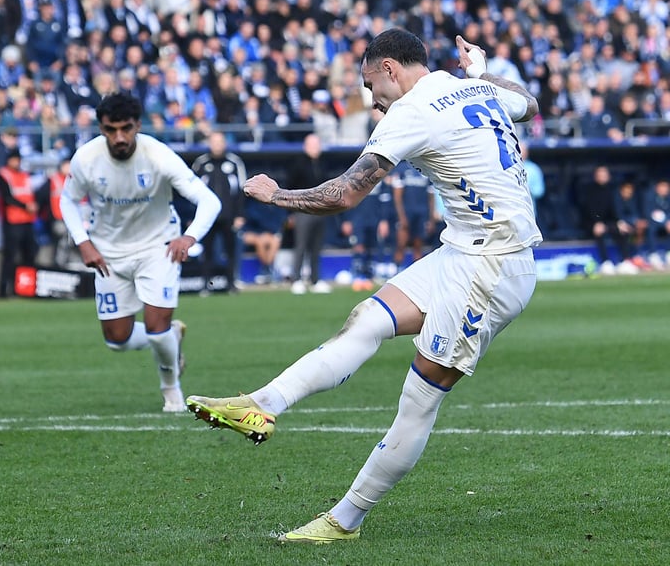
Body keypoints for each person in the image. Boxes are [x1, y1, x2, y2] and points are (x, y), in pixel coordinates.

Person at [186, 30, 542, 544]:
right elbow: (528, 104)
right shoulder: (474, 88)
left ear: (391, 68)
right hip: (462, 250)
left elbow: (345, 194)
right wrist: (479, 72)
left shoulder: (412, 111)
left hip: (491, 267)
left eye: (370, 82)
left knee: (419, 400)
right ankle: (261, 404)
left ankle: (344, 520)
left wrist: (276, 194)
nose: (370, 98)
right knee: (367, 319)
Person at [59, 92, 221, 413]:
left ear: (138, 126)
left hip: (157, 248)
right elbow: (67, 200)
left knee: (156, 327)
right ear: (101, 128)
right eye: (110, 129)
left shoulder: (158, 156)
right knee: (116, 339)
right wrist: (83, 242)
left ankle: (171, 390)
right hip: (108, 253)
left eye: (126, 128)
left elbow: (209, 201)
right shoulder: (86, 159)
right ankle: (173, 336)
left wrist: (188, 238)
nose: (119, 137)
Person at [190, 130, 246, 295]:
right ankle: (206, 284)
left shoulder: (235, 163)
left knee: (230, 250)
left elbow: (242, 191)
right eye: (214, 142)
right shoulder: (200, 163)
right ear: (209, 144)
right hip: (207, 217)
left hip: (229, 216)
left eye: (220, 142)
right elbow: (192, 191)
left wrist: (240, 215)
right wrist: (195, 216)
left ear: (225, 143)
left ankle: (231, 284)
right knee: (206, 251)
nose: (217, 145)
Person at [285, 133, 334, 295]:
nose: (315, 148)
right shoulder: (297, 164)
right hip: (302, 211)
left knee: (316, 247)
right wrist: (291, 212)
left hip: (320, 211)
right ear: (306, 147)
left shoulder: (323, 164)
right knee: (301, 246)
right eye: (312, 145)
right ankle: (296, 279)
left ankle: (315, 280)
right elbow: (289, 189)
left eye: (317, 145)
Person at [0, 149, 41, 297]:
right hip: (12, 221)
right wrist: (25, 206)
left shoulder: (24, 175)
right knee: (10, 256)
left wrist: (33, 205)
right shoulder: (3, 175)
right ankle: (3, 290)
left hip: (27, 220)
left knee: (29, 255)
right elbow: (7, 197)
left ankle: (25, 289)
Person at [391, 160, 436, 271]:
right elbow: (397, 196)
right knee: (401, 244)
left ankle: (417, 275)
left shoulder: (425, 169)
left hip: (421, 213)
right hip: (406, 212)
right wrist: (401, 216)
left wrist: (431, 218)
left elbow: (431, 195)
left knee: (418, 246)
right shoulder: (402, 169)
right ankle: (396, 271)